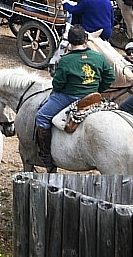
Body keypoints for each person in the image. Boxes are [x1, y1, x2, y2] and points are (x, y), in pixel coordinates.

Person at [33, 26, 114, 168]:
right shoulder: (98, 57)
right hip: (92, 97)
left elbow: (57, 84)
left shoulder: (66, 60)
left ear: (70, 42)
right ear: (86, 40)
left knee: (42, 116)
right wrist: (97, 90)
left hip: (69, 97)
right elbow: (110, 77)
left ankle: (45, 156)